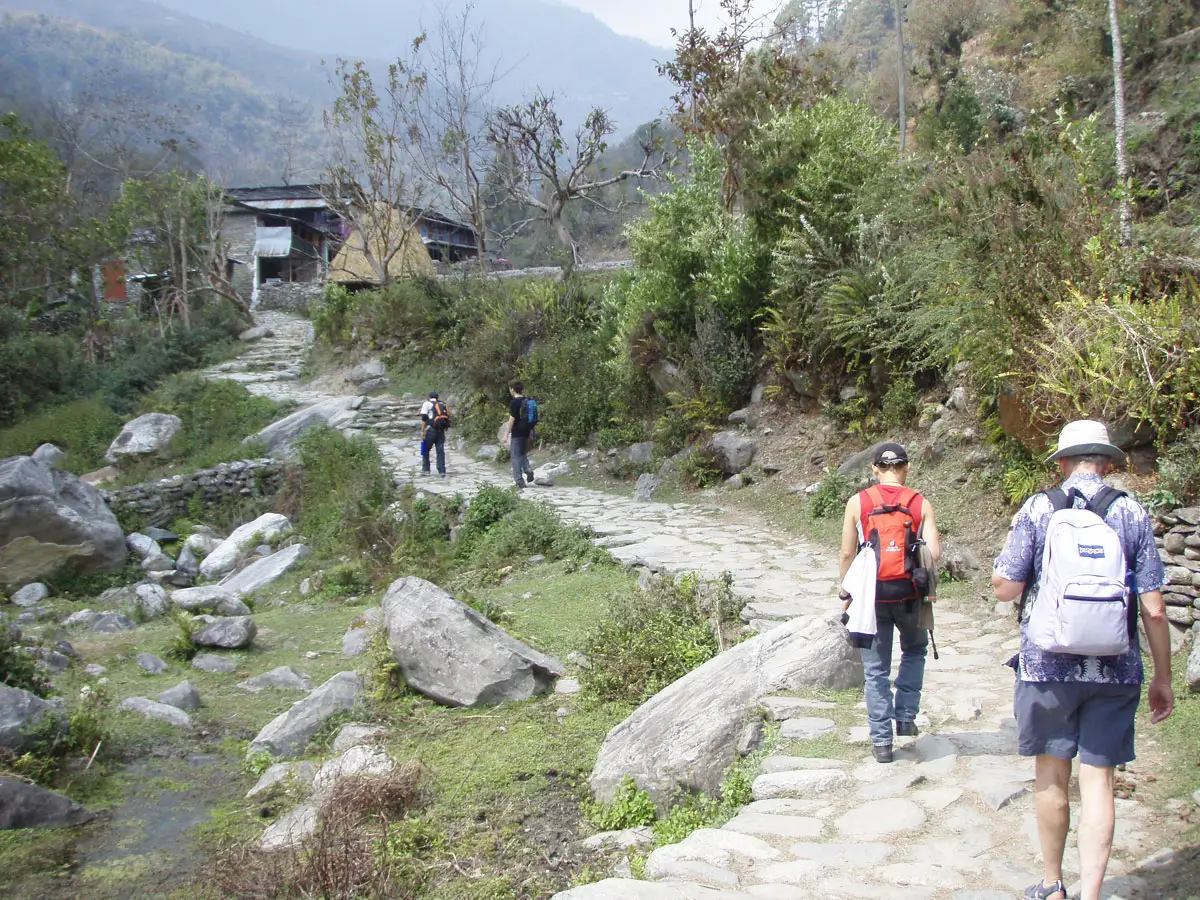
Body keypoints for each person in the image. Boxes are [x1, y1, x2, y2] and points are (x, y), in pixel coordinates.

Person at [992, 420, 1174, 900]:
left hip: (1046, 666)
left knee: (1052, 774)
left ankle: (1053, 883)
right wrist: (1163, 677)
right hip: (1116, 667)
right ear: (1107, 462)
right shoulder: (1130, 511)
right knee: (1100, 783)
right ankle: (1091, 893)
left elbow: (1006, 587)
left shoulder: (1039, 507)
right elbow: (1154, 608)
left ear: (1063, 463)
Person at [838, 442, 941, 764]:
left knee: (876, 670)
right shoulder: (920, 503)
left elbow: (847, 553)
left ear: (875, 469)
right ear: (906, 468)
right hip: (911, 595)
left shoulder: (858, 502)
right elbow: (935, 554)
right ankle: (906, 716)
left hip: (871, 598)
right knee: (915, 650)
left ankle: (882, 743)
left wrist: (846, 592)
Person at [505, 380, 536, 489]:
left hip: (517, 432)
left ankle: (519, 481)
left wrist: (506, 434)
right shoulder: (526, 400)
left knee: (515, 456)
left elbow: (512, 419)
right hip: (526, 431)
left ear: (512, 389)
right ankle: (528, 469)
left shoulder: (515, 402)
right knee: (521, 453)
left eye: (510, 388)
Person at [419, 391, 447, 477]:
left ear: (429, 397)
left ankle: (426, 470)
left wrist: (422, 431)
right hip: (441, 430)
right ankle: (442, 471)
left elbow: (424, 418)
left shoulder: (426, 404)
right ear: (437, 397)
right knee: (440, 450)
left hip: (430, 430)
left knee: (425, 449)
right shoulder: (442, 404)